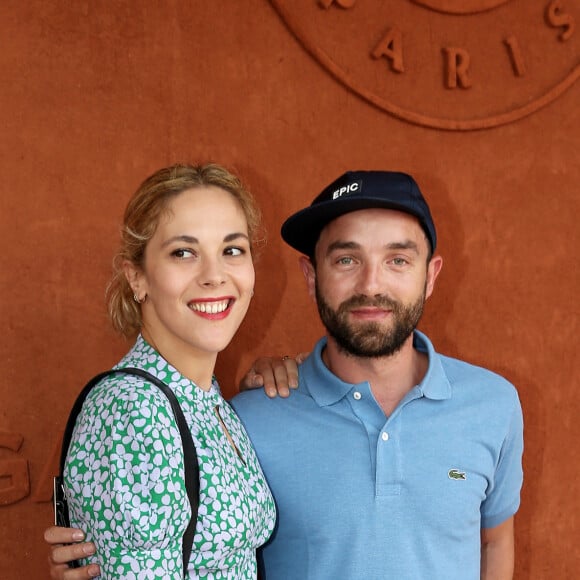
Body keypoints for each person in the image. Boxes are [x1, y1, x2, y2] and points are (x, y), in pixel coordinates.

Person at [46, 170, 523, 579]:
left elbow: (494, 542)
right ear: (312, 275)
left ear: (431, 275)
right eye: (346, 259)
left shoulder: (494, 406)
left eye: (398, 260)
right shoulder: (247, 415)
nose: (372, 283)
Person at [47, 163, 276, 579]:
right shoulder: (133, 411)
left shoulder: (207, 400)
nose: (214, 275)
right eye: (183, 253)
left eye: (232, 250)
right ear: (137, 278)